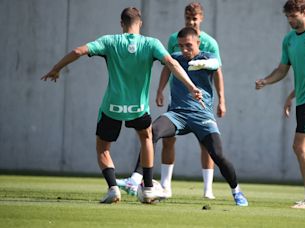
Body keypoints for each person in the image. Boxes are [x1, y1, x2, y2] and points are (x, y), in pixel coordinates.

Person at [41, 7, 203, 204]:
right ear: (140, 23)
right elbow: (172, 64)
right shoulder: (151, 43)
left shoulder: (109, 41)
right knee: (146, 139)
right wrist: (192, 87)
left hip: (112, 107)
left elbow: (78, 51)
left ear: (121, 24)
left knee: (102, 148)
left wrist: (56, 68)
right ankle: (149, 188)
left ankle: (112, 188)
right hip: (138, 108)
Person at [117, 2, 225, 199]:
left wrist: (222, 100)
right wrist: (159, 90)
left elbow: (217, 70)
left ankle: (208, 189)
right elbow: (169, 64)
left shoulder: (209, 42)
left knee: (206, 145)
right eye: (188, 18)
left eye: (195, 18)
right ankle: (166, 185)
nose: (191, 21)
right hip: (178, 102)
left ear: (201, 19)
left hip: (201, 104)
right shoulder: (174, 39)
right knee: (167, 139)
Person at [153, 27, 248, 206]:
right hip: (177, 114)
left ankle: (237, 191)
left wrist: (202, 66)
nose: (184, 50)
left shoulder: (207, 56)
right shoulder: (176, 58)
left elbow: (215, 65)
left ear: (198, 43)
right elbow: (167, 67)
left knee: (218, 155)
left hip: (202, 115)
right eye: (181, 46)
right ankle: (141, 180)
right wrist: (160, 90)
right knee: (152, 132)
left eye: (188, 45)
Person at [255, 0, 305, 209]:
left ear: (304, 12)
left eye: (293, 16)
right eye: (288, 17)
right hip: (303, 100)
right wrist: (266, 81)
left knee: (299, 146)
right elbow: (282, 69)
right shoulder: (288, 40)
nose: (290, 20)